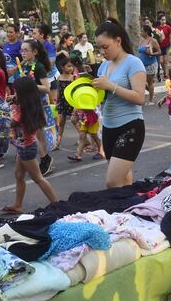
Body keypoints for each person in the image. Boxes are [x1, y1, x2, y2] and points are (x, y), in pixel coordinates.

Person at [91, 18, 147, 188]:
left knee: (112, 182)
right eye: (99, 48)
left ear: (118, 41)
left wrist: (110, 86)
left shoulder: (133, 63)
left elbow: (140, 98)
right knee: (123, 180)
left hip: (130, 126)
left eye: (105, 47)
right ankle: (127, 211)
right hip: (108, 126)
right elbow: (101, 96)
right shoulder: (104, 67)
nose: (102, 52)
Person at [0, 77, 58, 214]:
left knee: (38, 178)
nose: (14, 93)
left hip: (26, 148)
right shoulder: (30, 104)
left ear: (23, 94)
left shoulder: (21, 111)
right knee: (19, 175)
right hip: (24, 146)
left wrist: (8, 105)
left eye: (16, 91)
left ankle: (56, 204)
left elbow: (9, 122)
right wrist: (13, 101)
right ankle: (18, 205)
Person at [19, 39, 54, 175]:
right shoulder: (25, 65)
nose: (23, 53)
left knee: (36, 134)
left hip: (37, 104)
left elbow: (46, 88)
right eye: (21, 50)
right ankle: (43, 158)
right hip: (26, 103)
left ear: (34, 52)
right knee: (37, 135)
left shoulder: (38, 67)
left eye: (26, 50)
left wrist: (29, 84)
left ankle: (45, 159)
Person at [33, 23, 61, 103]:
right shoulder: (35, 45)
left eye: (35, 33)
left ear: (42, 35)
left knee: (53, 102)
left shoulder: (49, 46)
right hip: (42, 77)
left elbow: (51, 63)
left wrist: (38, 66)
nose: (32, 35)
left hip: (52, 77)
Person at [55, 54, 78, 147]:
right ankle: (57, 143)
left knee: (75, 121)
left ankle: (83, 138)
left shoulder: (73, 78)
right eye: (68, 66)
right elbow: (58, 90)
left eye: (72, 66)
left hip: (71, 102)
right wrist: (57, 102)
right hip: (62, 102)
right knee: (61, 123)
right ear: (62, 67)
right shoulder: (59, 77)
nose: (71, 68)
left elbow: (75, 91)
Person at [138, 25, 161, 103]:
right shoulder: (141, 40)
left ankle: (150, 100)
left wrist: (152, 54)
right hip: (142, 65)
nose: (140, 32)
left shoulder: (152, 40)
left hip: (150, 65)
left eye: (142, 31)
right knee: (141, 82)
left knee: (149, 82)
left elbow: (159, 52)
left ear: (146, 32)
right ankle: (152, 93)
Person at [3, 23, 23, 92]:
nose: (8, 34)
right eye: (7, 32)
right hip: (7, 77)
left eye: (11, 32)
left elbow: (26, 60)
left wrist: (15, 68)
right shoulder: (5, 45)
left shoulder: (21, 45)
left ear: (17, 33)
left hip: (17, 77)